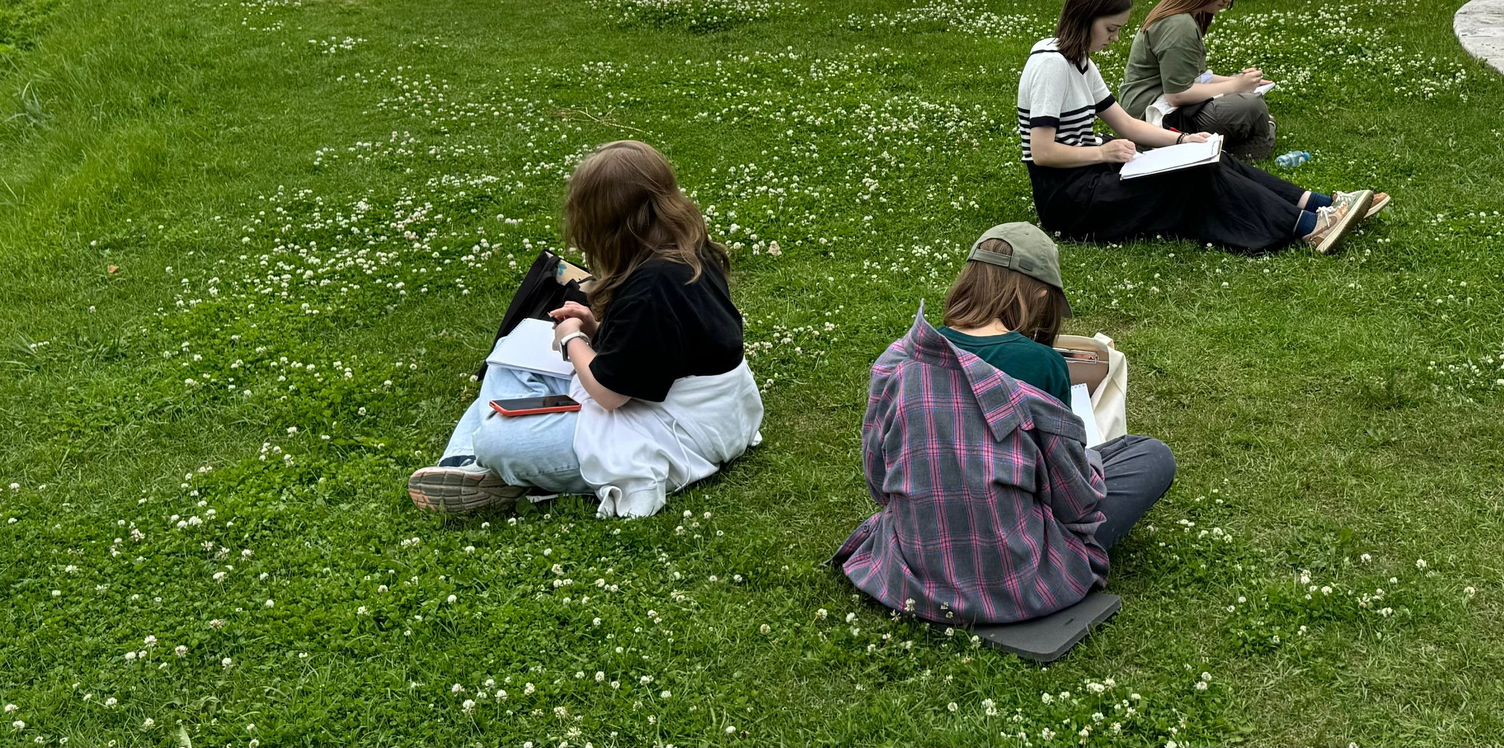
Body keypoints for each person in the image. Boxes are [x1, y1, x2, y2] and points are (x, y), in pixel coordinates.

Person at [834, 225, 1174, 626]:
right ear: (1043, 294)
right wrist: (1090, 465)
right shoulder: (1042, 365)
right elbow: (1071, 500)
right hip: (1021, 577)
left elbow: (878, 483)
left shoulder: (899, 361)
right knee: (1150, 455)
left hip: (916, 573)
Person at [407, 140, 762, 517]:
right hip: (716, 410)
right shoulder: (686, 249)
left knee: (499, 440)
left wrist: (574, 338)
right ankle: (469, 465)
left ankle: (477, 463)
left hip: (680, 431)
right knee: (511, 354)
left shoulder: (653, 286)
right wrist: (596, 328)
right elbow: (658, 345)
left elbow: (610, 395)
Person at [1020, 0, 1379, 254]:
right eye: (1110, 29)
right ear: (1085, 18)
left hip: (1094, 176)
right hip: (1070, 202)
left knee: (1203, 157)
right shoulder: (1052, 65)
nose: (1114, 39)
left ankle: (1323, 205)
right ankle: (1309, 227)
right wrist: (1102, 152)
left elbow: (1126, 123)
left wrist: (1184, 140)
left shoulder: (1078, 60)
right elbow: (1043, 152)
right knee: (1194, 177)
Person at [1118, 0, 1278, 161]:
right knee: (1252, 106)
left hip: (1164, 109)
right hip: (1153, 117)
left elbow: (1197, 77)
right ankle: (1252, 143)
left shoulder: (1184, 17)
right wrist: (1235, 87)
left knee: (1248, 102)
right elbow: (1177, 94)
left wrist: (1238, 80)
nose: (1228, 0)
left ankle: (1255, 130)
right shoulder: (1179, 25)